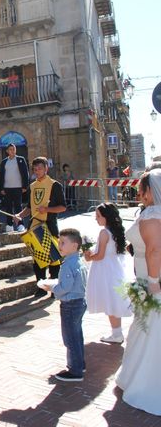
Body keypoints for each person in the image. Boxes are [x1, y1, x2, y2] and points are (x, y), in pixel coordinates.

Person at [116, 170, 161, 415]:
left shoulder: (153, 215)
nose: (138, 194)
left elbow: (155, 250)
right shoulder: (154, 213)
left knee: (150, 329)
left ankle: (147, 382)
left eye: (141, 190)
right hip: (147, 276)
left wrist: (153, 282)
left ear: (149, 191)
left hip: (152, 279)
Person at [39, 228, 88, 382]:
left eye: (63, 243)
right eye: (59, 242)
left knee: (70, 338)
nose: (59, 245)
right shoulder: (78, 260)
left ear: (74, 246)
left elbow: (65, 287)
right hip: (79, 302)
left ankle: (75, 370)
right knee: (77, 335)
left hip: (70, 305)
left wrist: (51, 288)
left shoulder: (67, 264)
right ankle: (79, 363)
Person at [15, 157, 67, 297]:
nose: (37, 172)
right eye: (35, 169)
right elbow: (29, 207)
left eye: (40, 169)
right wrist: (20, 215)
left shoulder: (54, 185)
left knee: (53, 260)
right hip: (34, 225)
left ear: (46, 169)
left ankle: (54, 288)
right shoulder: (32, 186)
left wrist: (47, 210)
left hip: (49, 225)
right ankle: (41, 287)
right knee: (38, 259)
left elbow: (62, 207)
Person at [84, 202, 133, 343]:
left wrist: (89, 257)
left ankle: (117, 334)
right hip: (113, 268)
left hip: (105, 270)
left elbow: (100, 256)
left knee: (110, 300)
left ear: (106, 217)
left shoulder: (104, 232)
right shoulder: (114, 231)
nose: (96, 218)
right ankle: (116, 333)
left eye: (98, 216)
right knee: (112, 300)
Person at [0, 143, 29, 232]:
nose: (12, 151)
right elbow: (1, 176)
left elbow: (25, 173)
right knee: (8, 207)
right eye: (10, 149)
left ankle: (20, 224)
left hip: (18, 187)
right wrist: (2, 188)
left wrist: (24, 186)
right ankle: (9, 224)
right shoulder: (4, 162)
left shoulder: (20, 159)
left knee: (18, 207)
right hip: (7, 188)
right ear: (7, 151)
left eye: (14, 149)